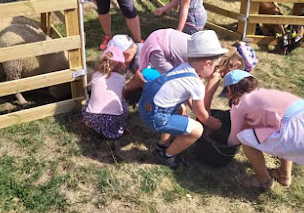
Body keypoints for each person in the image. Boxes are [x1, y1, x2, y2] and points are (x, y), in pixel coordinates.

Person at [223, 70, 304, 191]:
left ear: (229, 90)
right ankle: (284, 175)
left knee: (245, 138)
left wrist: (224, 150)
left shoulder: (239, 103)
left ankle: (263, 181)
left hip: (297, 133)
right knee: (281, 131)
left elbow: (234, 138)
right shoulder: (265, 95)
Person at [138, 30, 228, 169]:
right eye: (215, 67)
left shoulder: (182, 67)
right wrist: (212, 123)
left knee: (180, 109)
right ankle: (166, 156)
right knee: (197, 129)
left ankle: (163, 144)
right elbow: (201, 114)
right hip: (155, 116)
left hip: (146, 104)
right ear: (207, 64)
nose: (215, 71)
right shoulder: (196, 83)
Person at [82, 46, 129, 139]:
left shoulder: (95, 76)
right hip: (113, 119)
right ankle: (114, 128)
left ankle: (92, 124)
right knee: (122, 101)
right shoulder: (121, 79)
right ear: (120, 66)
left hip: (93, 117)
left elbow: (92, 90)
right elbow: (123, 94)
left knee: (89, 101)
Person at [124, 28, 190, 94]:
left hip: (172, 74)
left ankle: (123, 92)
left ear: (126, 54)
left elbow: (172, 77)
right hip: (173, 64)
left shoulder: (139, 61)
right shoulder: (140, 46)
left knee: (142, 74)